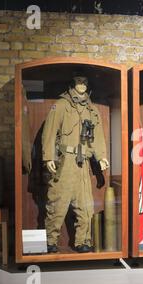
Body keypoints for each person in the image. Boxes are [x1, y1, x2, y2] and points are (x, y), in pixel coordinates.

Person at [42, 76, 110, 253]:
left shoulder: (91, 109)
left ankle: (83, 241)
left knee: (85, 204)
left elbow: (98, 137)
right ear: (72, 84)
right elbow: (49, 131)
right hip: (65, 162)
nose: (82, 85)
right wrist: (48, 157)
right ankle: (51, 241)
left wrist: (101, 156)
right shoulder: (62, 105)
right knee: (57, 202)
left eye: (85, 83)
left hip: (83, 163)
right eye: (79, 82)